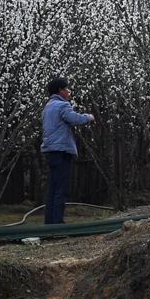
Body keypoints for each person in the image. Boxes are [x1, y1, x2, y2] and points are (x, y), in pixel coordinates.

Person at [41, 76, 93, 224]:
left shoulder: (47, 108)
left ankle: (49, 223)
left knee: (53, 189)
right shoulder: (61, 106)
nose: (69, 91)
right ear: (60, 91)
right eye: (66, 89)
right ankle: (58, 223)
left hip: (50, 151)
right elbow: (74, 119)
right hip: (62, 150)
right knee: (62, 189)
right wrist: (88, 117)